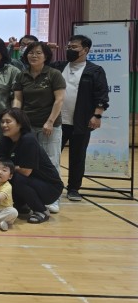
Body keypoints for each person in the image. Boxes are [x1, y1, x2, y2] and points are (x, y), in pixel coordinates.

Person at [50, 34, 109, 201]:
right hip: (57, 121)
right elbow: (35, 64)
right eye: (68, 47)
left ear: (85, 50)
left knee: (78, 156)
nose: (70, 50)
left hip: (81, 122)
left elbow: (102, 95)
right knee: (52, 155)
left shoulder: (95, 70)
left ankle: (73, 188)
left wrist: (97, 115)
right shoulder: (58, 66)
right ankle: (51, 186)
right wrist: (48, 51)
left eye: (74, 47)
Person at [0, 108, 64, 224]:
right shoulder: (5, 140)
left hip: (50, 187)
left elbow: (26, 171)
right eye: (2, 122)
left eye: (8, 122)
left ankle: (42, 211)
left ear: (20, 124)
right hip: (31, 182)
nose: (4, 125)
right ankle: (21, 205)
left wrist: (7, 170)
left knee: (15, 176)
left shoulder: (28, 140)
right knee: (2, 174)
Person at [13, 41, 66, 176]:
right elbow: (18, 99)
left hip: (49, 126)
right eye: (31, 53)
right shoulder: (21, 75)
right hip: (28, 125)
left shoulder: (54, 74)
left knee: (50, 161)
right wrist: (16, 118)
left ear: (46, 56)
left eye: (38, 53)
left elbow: (59, 99)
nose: (34, 56)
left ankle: (54, 190)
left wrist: (50, 122)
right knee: (28, 161)